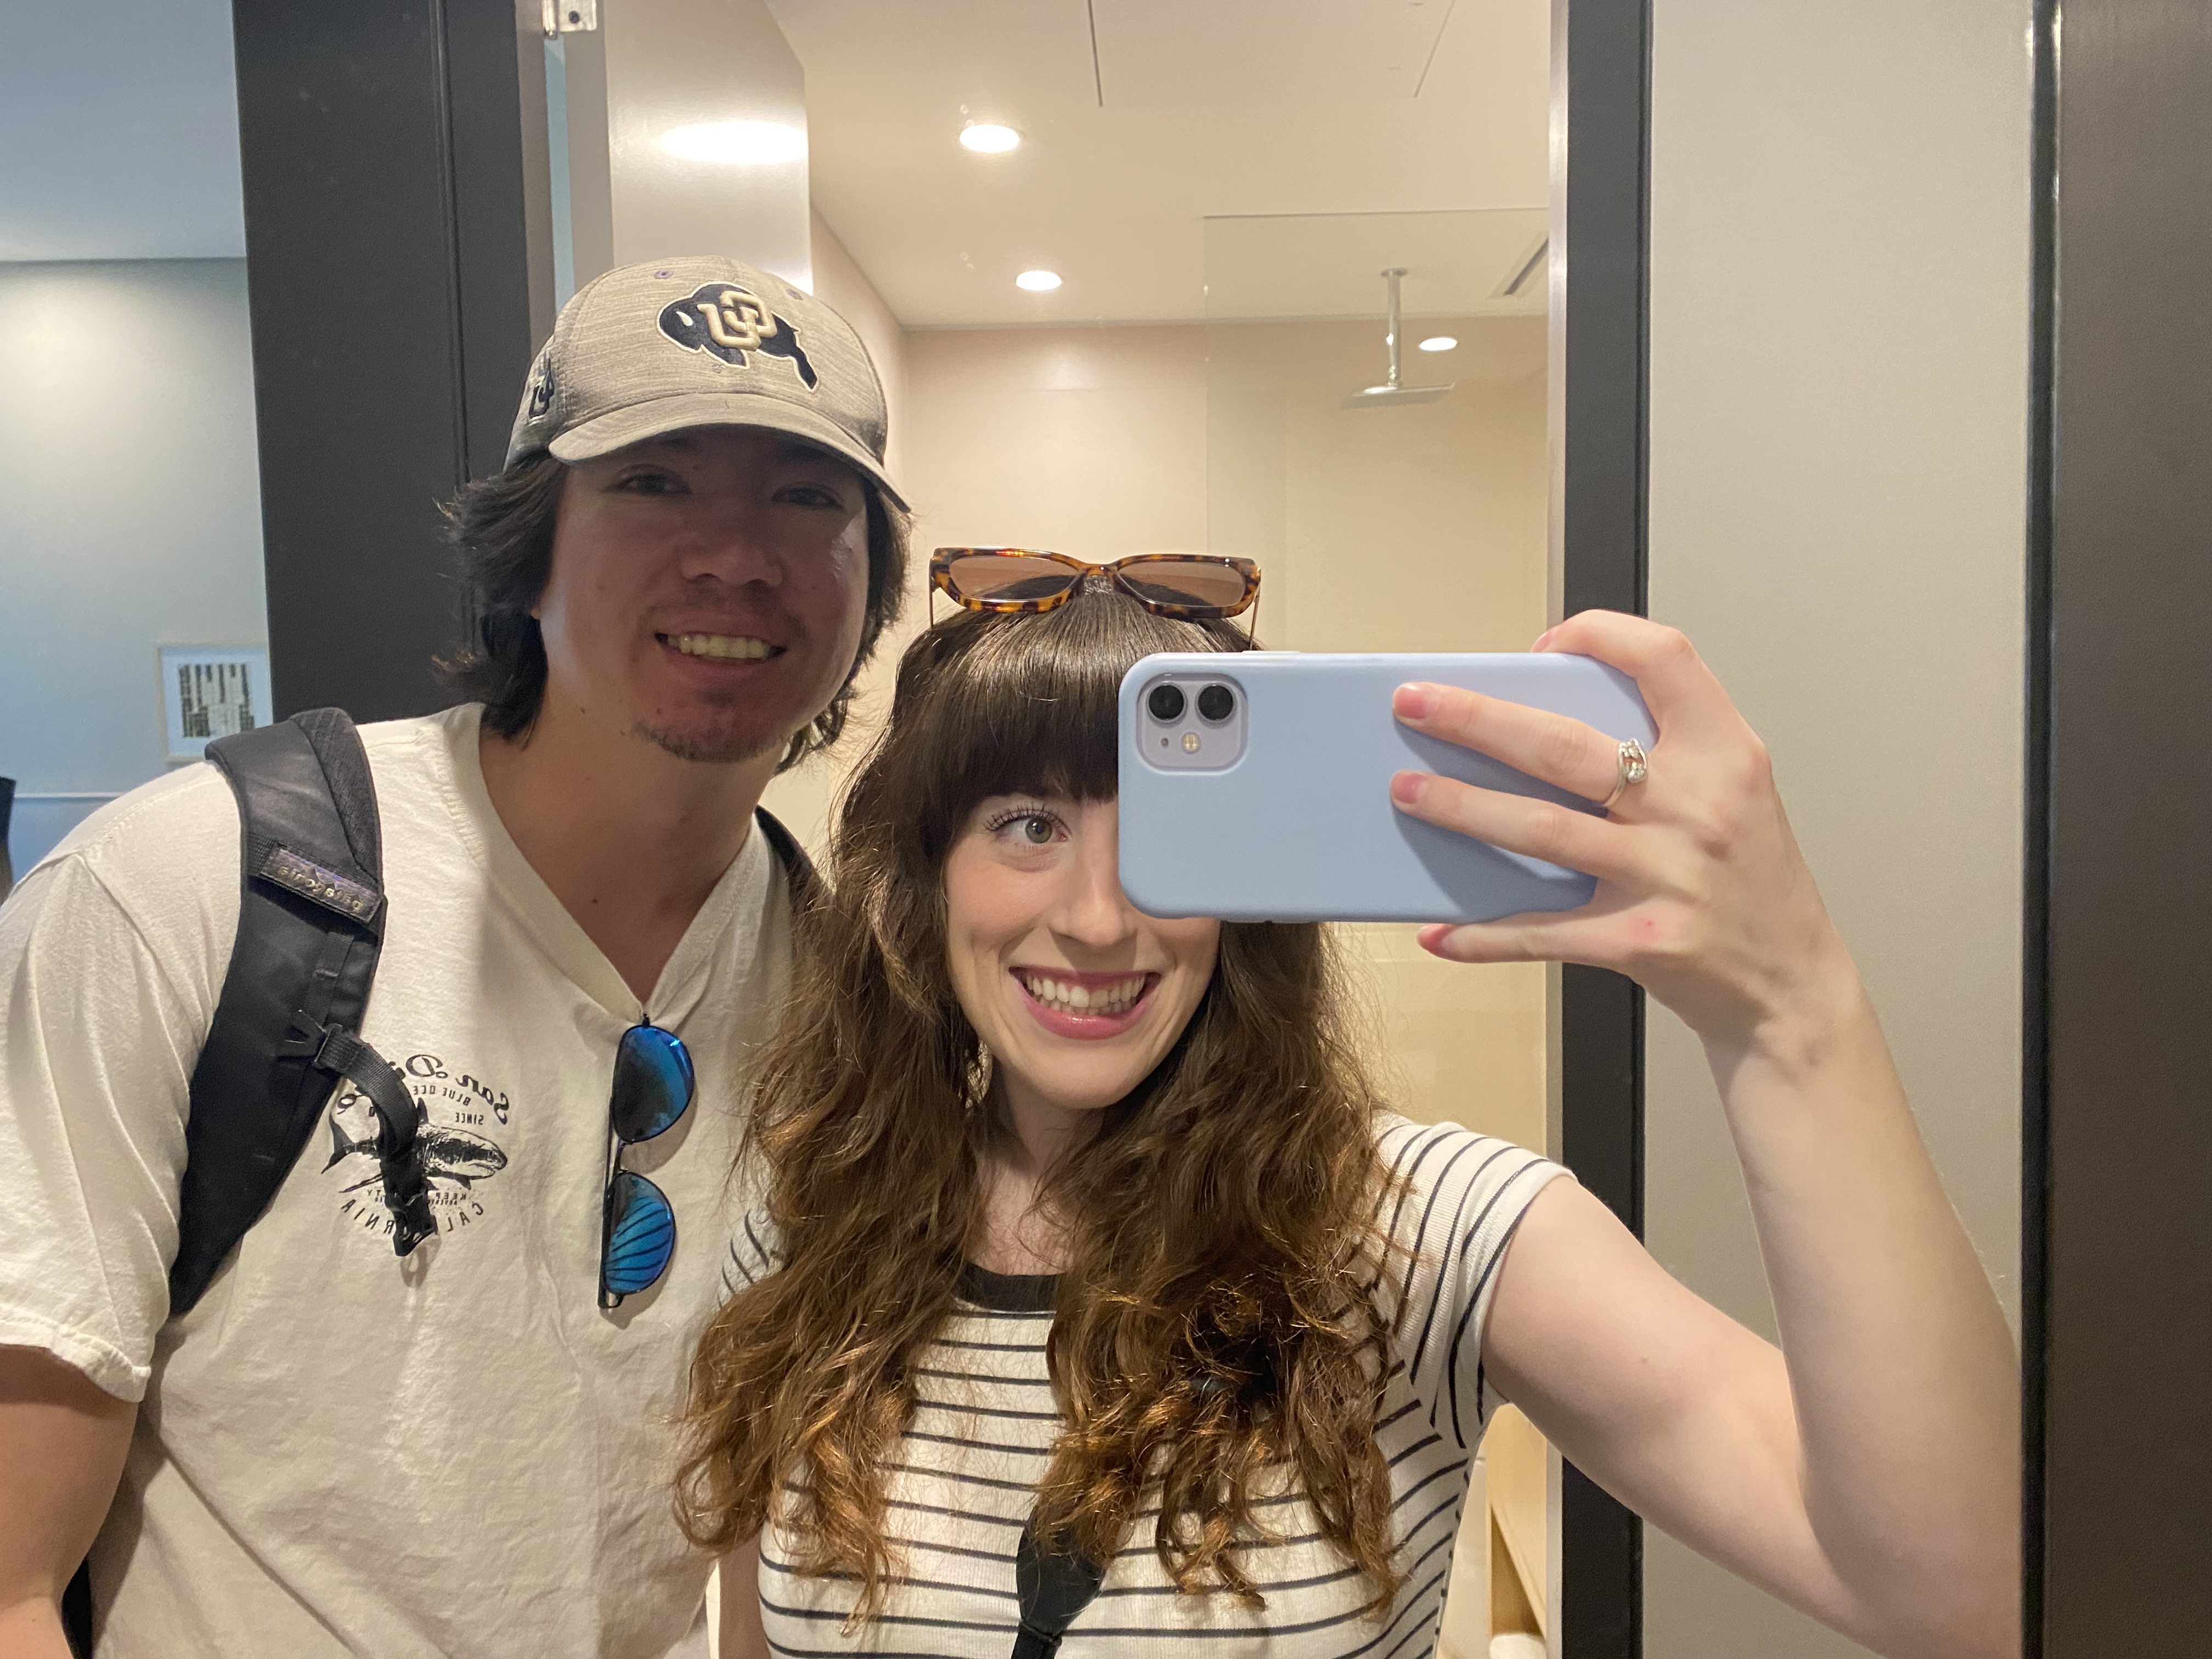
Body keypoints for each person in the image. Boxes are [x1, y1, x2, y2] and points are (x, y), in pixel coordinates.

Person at [681, 571, 2019, 1659]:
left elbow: (1958, 1592)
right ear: (925, 883)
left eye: (1168, 829)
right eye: (1027, 824)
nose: (1097, 918)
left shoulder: (1422, 1236)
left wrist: (1790, 1011)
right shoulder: (811, 1235)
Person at [0, 257, 908, 1657]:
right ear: (527, 547)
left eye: (807, 498)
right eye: (655, 483)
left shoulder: (859, 990)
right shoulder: (193, 886)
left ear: (870, 581)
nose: (735, 554)